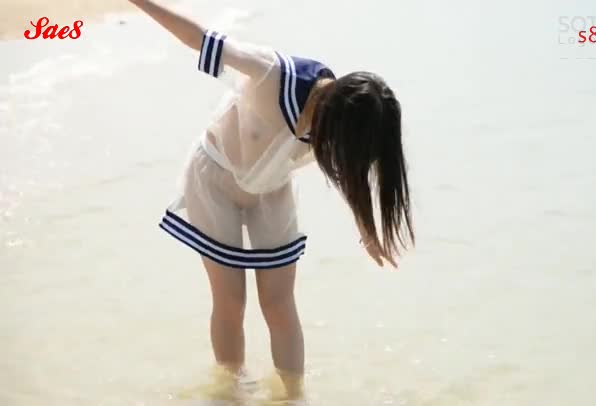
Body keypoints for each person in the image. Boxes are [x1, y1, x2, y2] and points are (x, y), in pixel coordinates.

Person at [128, 0, 415, 401]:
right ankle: (230, 391)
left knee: (279, 303)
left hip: (272, 189)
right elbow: (199, 38)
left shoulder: (347, 120)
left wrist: (366, 229)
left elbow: (351, 172)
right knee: (231, 301)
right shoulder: (274, 73)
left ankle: (294, 396)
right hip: (215, 179)